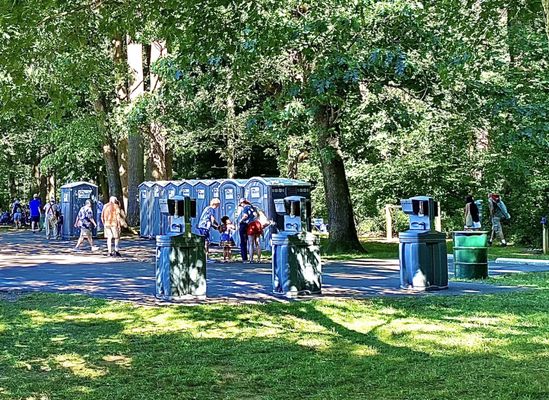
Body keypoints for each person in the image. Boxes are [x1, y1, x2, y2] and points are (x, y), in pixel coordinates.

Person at [197, 198, 221, 262]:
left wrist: (217, 224)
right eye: (218, 205)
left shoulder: (207, 208)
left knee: (204, 241)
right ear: (216, 204)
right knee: (206, 242)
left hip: (201, 226)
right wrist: (217, 227)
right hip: (205, 226)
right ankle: (206, 257)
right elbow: (212, 220)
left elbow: (213, 220)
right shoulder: (211, 209)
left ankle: (204, 256)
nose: (218, 207)